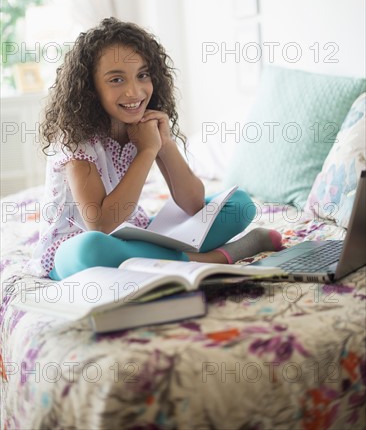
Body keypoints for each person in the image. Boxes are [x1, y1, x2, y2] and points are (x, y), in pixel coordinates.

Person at [28, 17, 282, 281]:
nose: (134, 91)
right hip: (75, 249)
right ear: (91, 89)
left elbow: (194, 203)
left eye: (142, 75)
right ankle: (214, 258)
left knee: (239, 204)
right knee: (90, 249)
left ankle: (153, 258)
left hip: (133, 234)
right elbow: (101, 224)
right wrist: (148, 151)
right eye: (116, 79)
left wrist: (164, 144)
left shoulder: (144, 125)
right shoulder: (75, 139)